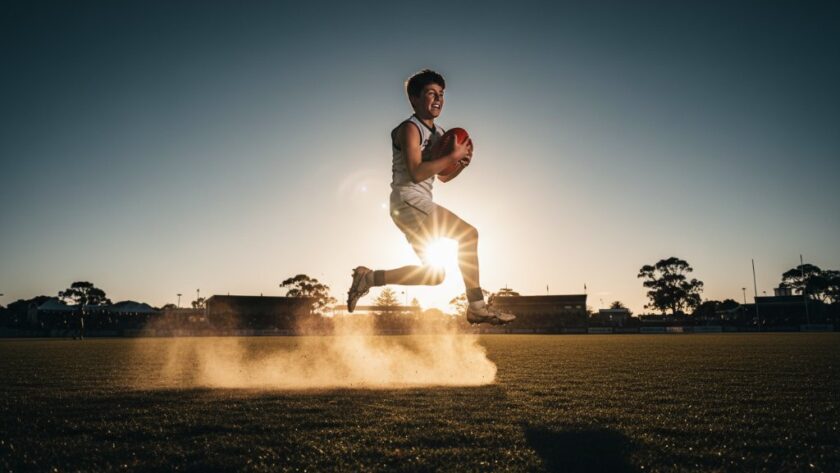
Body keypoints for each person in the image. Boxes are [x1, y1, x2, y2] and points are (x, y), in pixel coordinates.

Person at [347, 69, 515, 325]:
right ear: (414, 99)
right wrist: (451, 157)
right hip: (408, 199)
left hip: (412, 205)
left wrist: (459, 164)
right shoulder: (409, 129)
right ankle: (477, 306)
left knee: (434, 275)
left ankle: (369, 278)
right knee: (468, 235)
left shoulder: (440, 133)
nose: (438, 99)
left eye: (441, 94)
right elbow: (415, 173)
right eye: (431, 93)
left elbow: (444, 177)